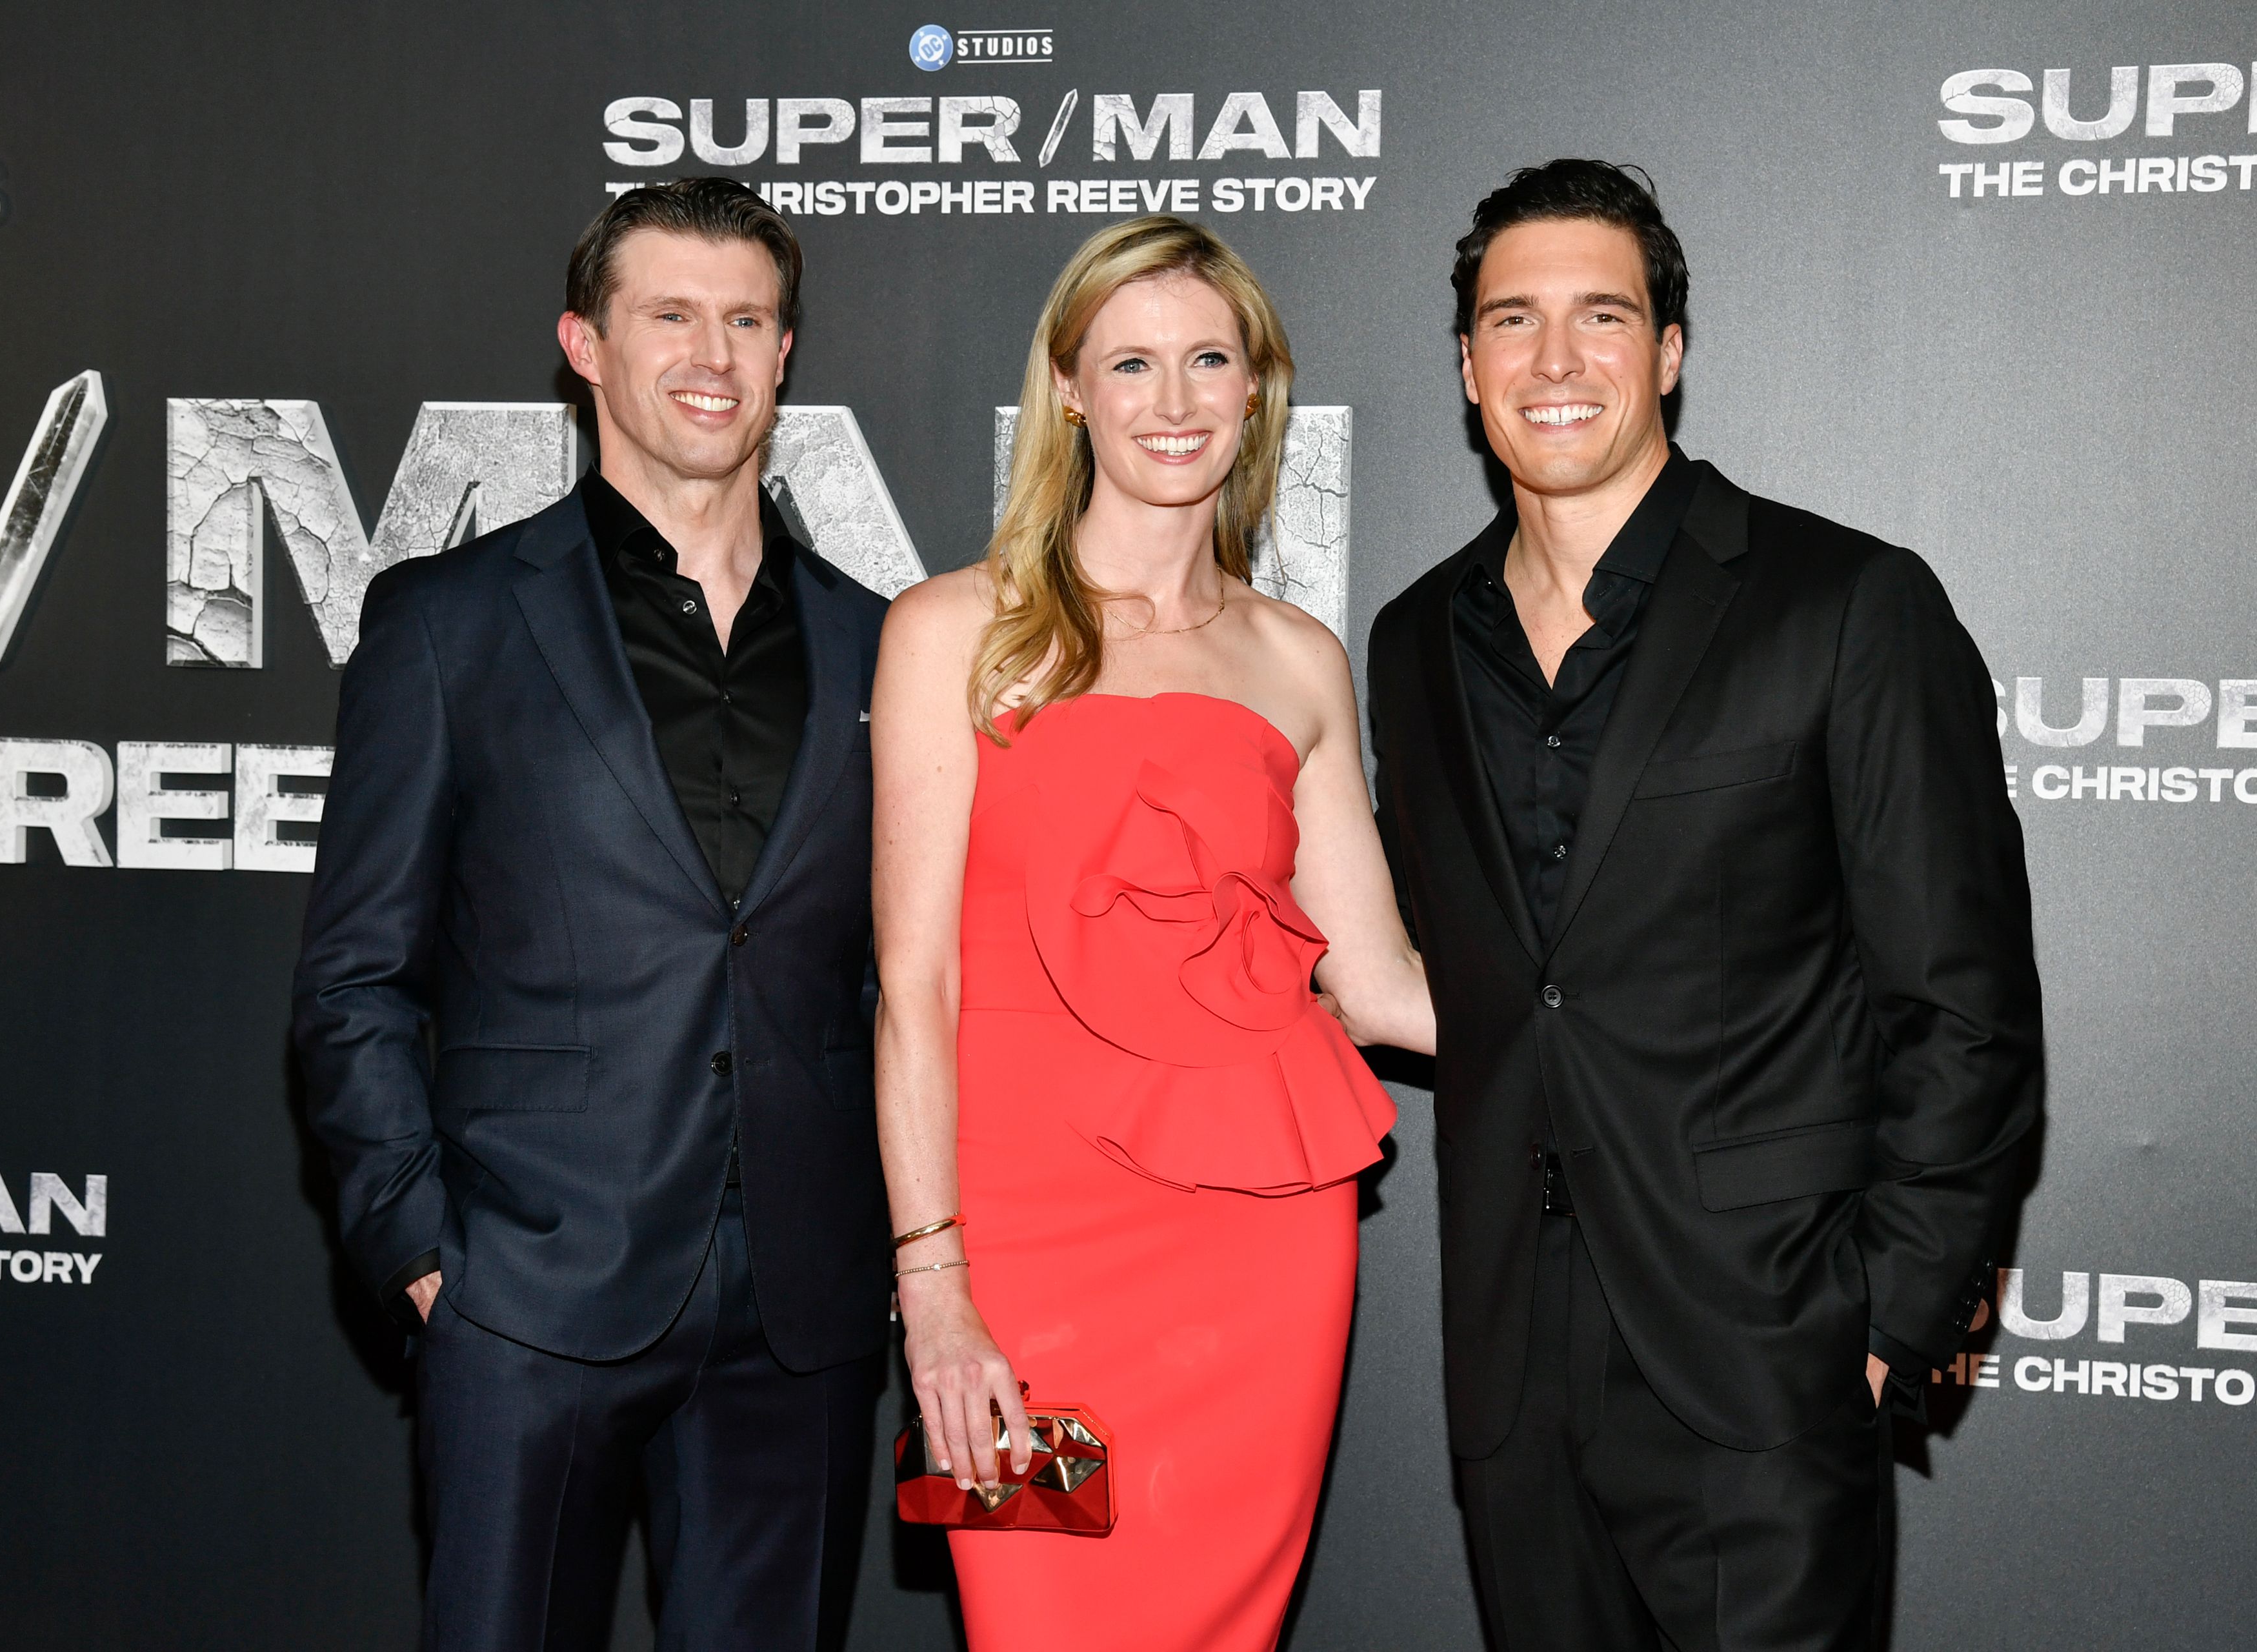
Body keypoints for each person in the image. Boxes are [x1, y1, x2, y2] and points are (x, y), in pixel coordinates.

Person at [1358, 159, 2044, 1650]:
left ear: (1668, 350)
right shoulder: (1416, 639)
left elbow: (1963, 997)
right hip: (1510, 1359)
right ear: (1468, 364)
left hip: (1766, 1350)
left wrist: (1887, 1323)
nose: (1553, 362)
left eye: (1600, 317)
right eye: (1511, 321)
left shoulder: (1847, 602)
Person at [294, 178, 887, 1651]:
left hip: (802, 1307)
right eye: (670, 314)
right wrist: (428, 1248)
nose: (714, 353)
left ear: (786, 352)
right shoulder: (449, 622)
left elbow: (914, 975)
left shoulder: (884, 640)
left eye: (747, 319)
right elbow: (355, 976)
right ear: (584, 344)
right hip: (528, 1285)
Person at [871, 215, 1432, 1651]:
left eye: (1207, 359)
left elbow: (1378, 987)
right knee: (1038, 1620)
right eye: (1131, 362)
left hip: (1260, 1250)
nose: (1173, 401)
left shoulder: (1299, 656)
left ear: (1259, 388)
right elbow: (913, 986)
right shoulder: (957, 629)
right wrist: (934, 1285)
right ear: (1069, 389)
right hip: (1024, 1251)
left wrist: (1688, 1005)